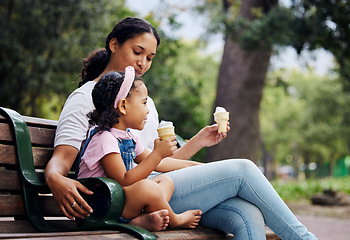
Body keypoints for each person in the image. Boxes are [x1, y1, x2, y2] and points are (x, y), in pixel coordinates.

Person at [45, 17, 317, 239]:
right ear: (114, 45)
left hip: (158, 191)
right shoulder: (85, 99)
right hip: (135, 197)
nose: (142, 63)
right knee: (243, 169)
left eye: (150, 57)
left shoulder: (143, 102)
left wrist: (198, 144)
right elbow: (62, 160)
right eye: (137, 52)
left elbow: (157, 160)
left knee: (245, 214)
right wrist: (54, 177)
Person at [77, 68, 202, 228]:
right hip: (98, 207)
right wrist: (157, 154)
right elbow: (123, 181)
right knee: (148, 187)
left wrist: (196, 166)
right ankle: (177, 220)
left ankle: (141, 219)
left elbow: (159, 165)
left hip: (118, 202)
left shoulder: (128, 136)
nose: (148, 109)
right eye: (144, 102)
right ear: (123, 106)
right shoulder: (104, 139)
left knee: (165, 180)